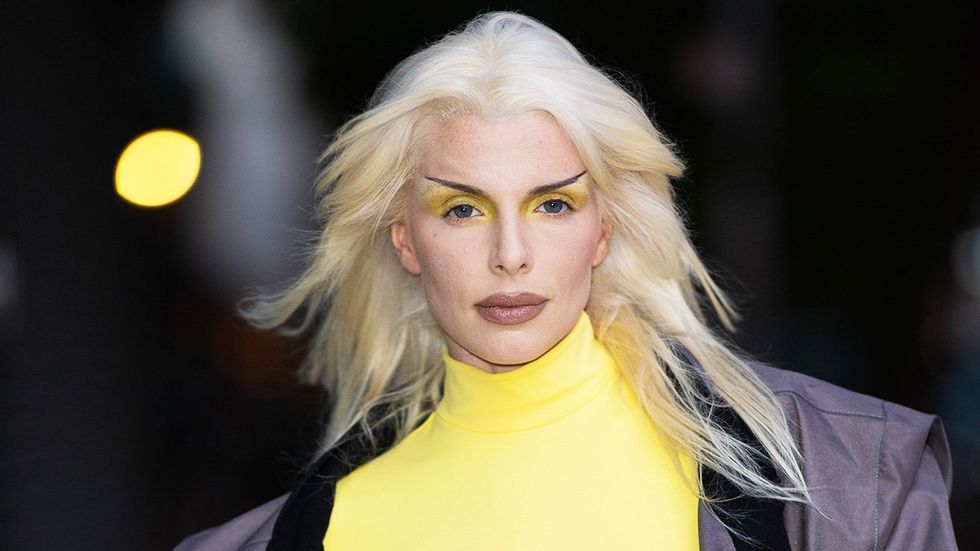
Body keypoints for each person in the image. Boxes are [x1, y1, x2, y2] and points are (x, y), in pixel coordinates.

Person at [176, 11, 957, 550]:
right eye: (462, 209)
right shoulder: (283, 537)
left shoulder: (848, 477)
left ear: (603, 228)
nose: (511, 253)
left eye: (552, 203)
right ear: (405, 239)